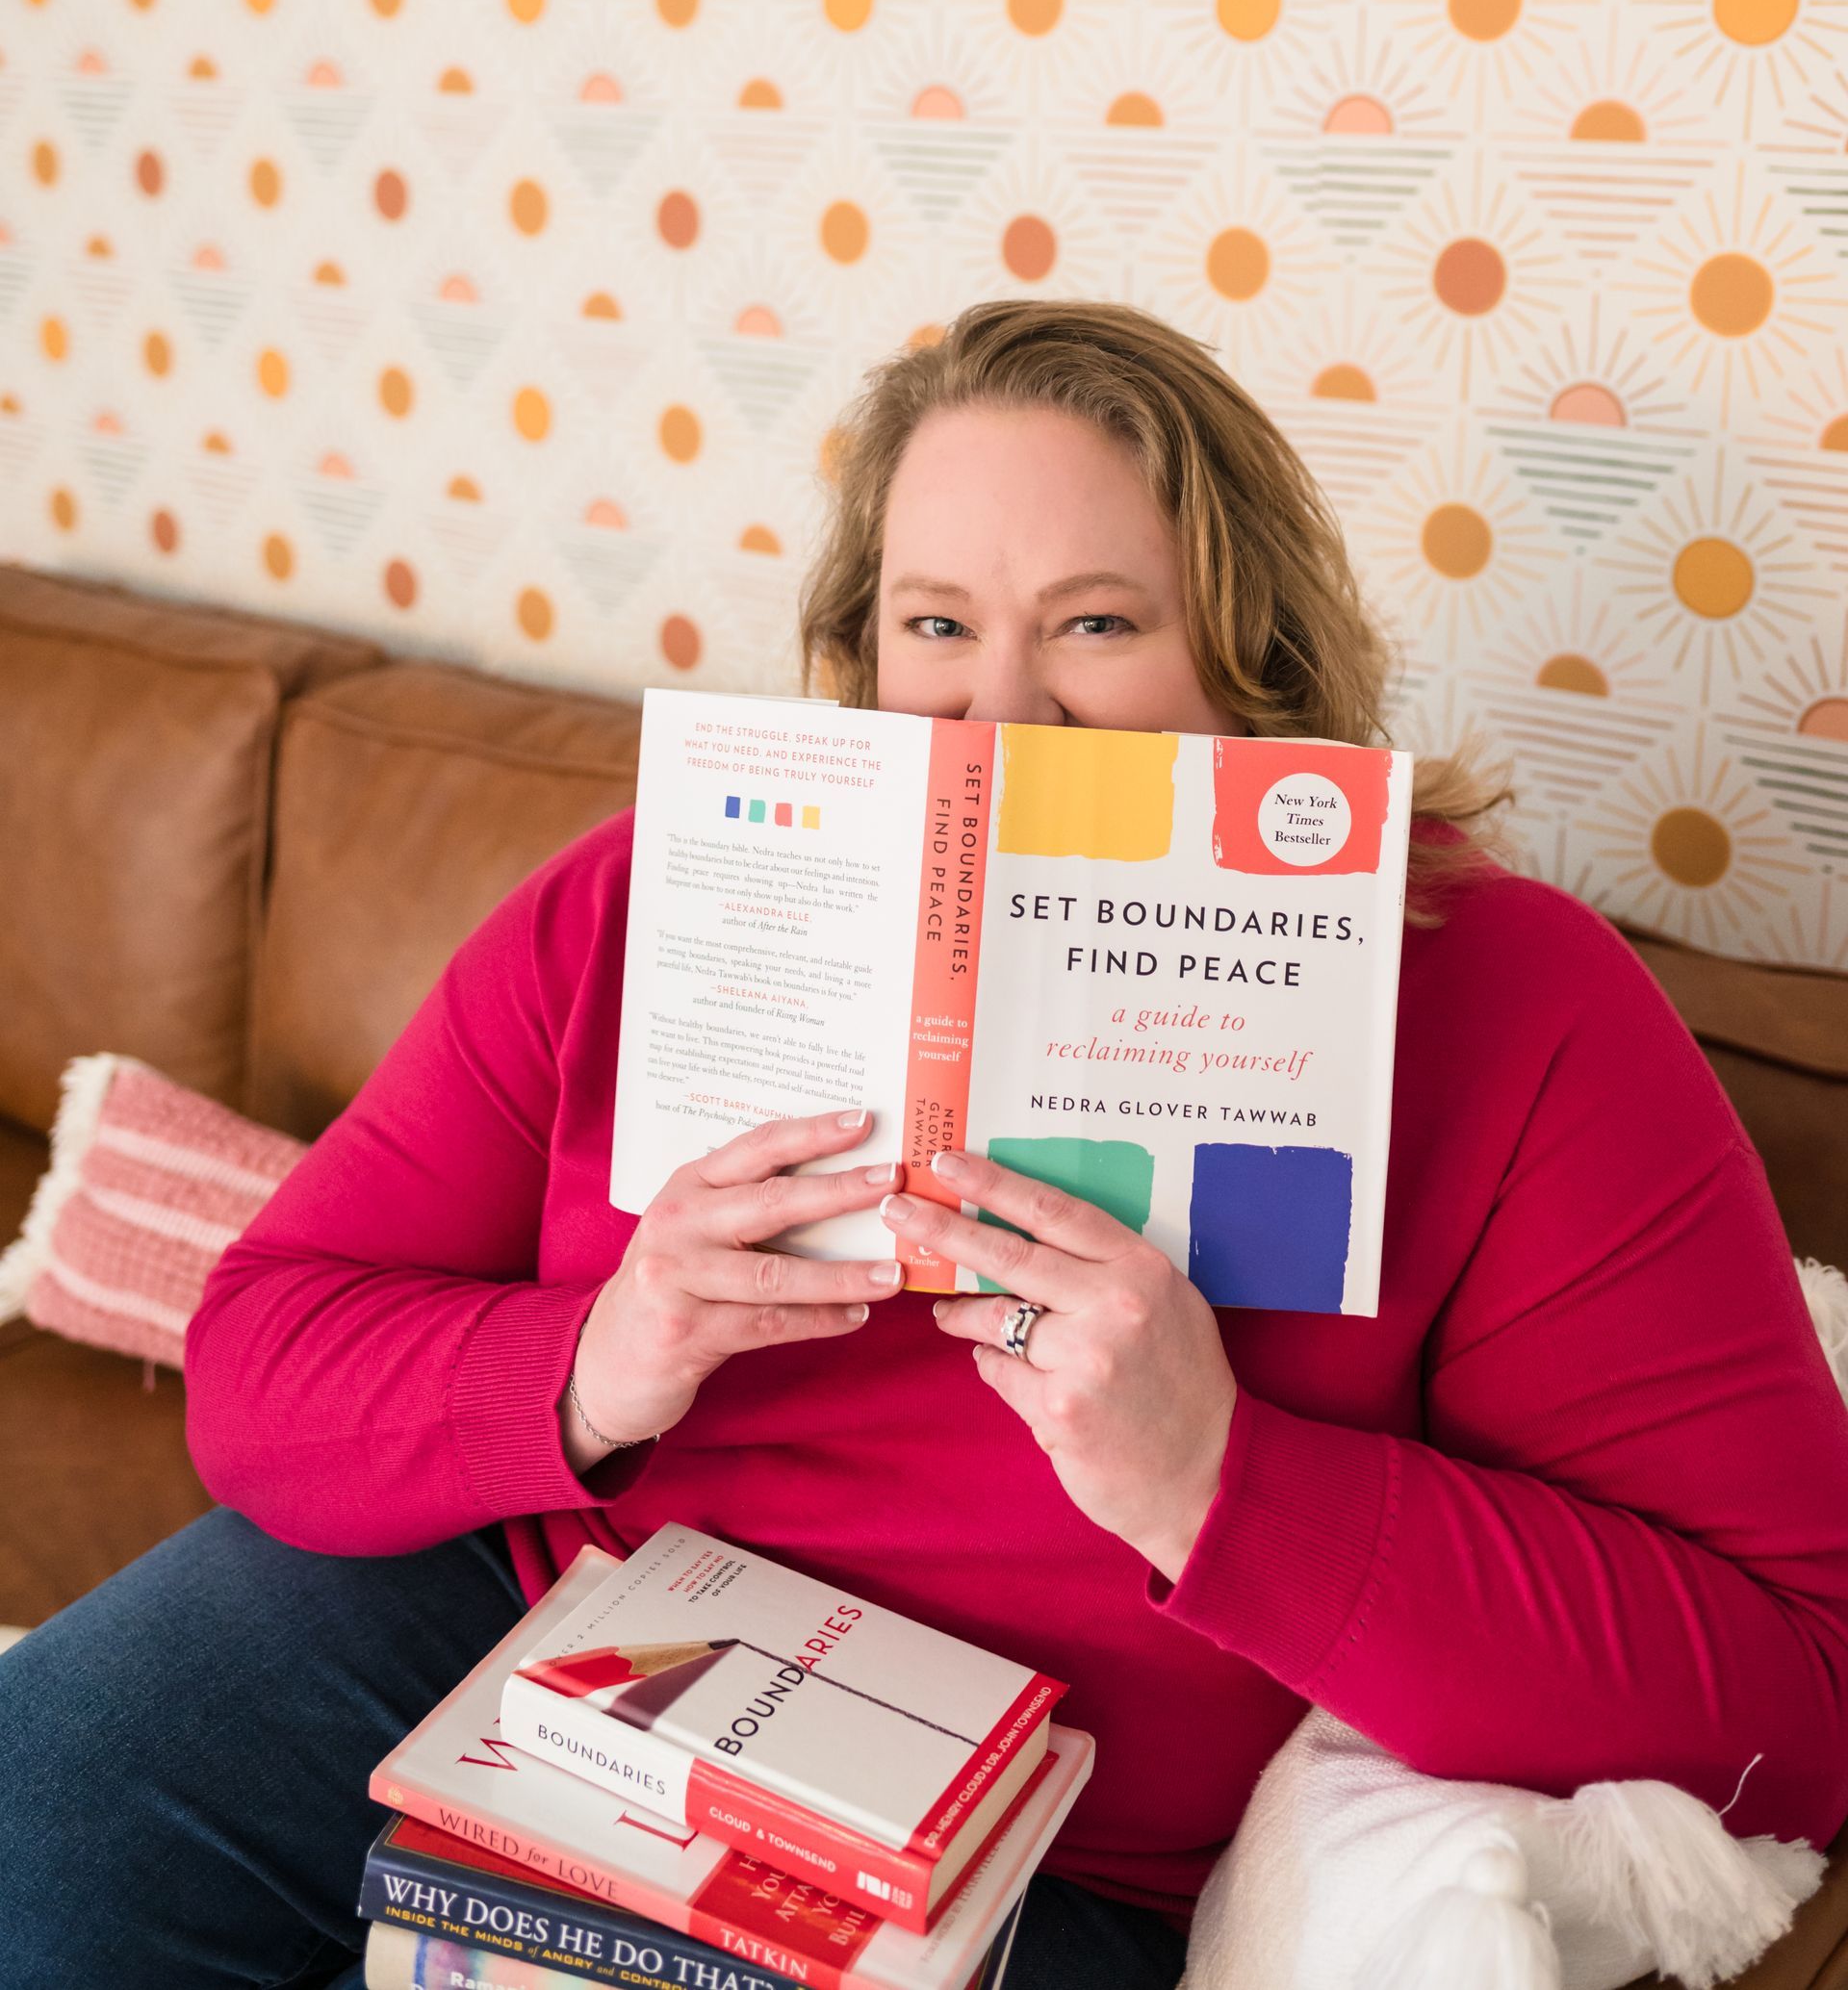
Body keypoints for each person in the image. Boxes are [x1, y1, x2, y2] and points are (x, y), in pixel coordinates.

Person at [3, 298, 1847, 1989]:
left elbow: (1797, 1690)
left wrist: (1220, 1477)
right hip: (532, 1615)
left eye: (1099, 624)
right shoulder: (654, 895)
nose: (1003, 708)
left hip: (1039, 1832)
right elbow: (256, 1362)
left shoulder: (1514, 1002)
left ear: (1254, 651)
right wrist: (591, 1356)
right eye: (938, 624)